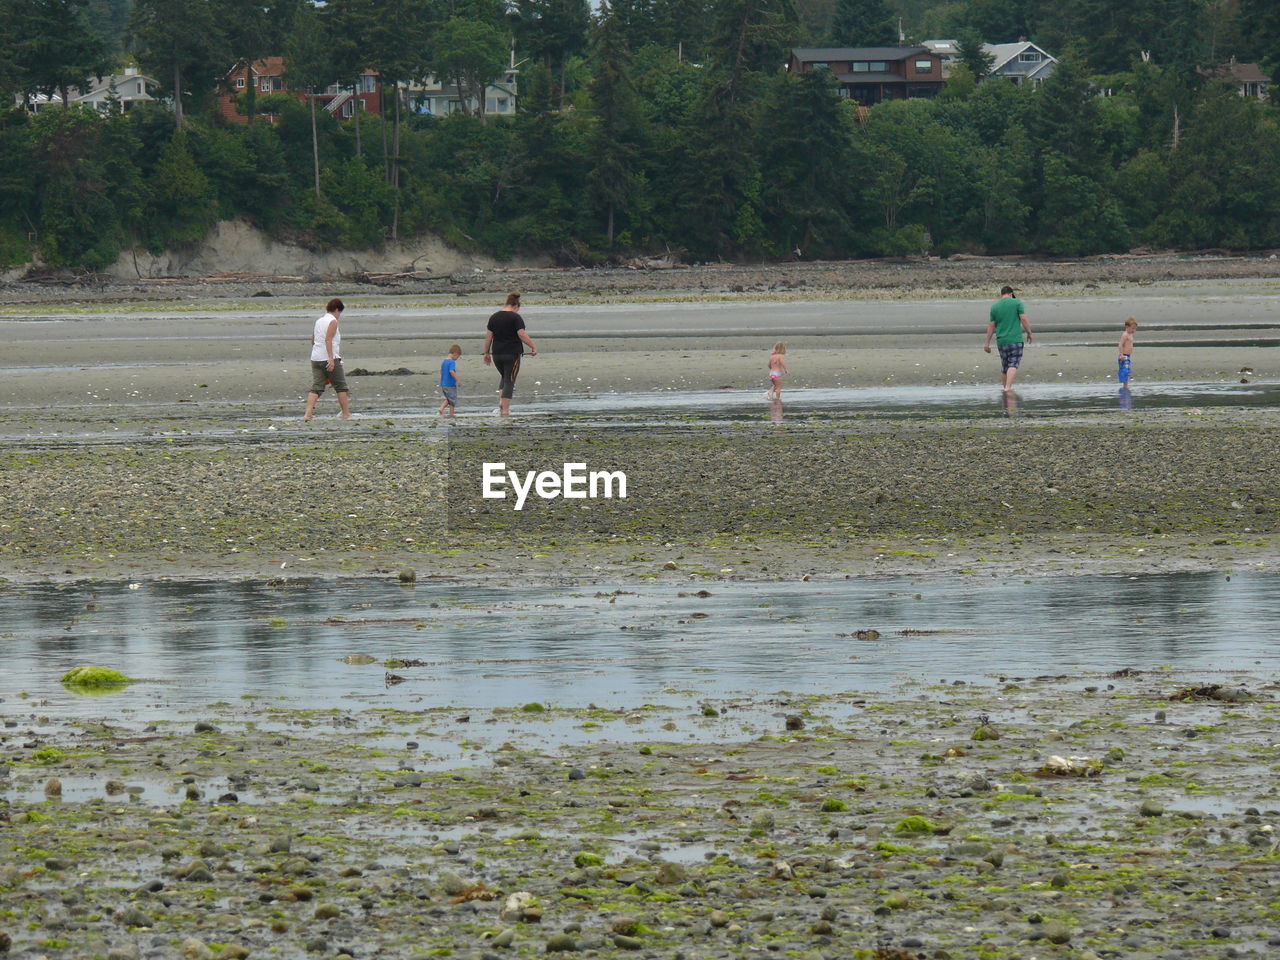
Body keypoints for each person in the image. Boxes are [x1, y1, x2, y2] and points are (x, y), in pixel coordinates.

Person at [483, 292, 538, 417]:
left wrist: (486, 353)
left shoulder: (494, 317)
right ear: (515, 306)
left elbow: (488, 338)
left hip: (497, 354)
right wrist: (533, 346)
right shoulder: (515, 317)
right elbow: (522, 334)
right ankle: (505, 409)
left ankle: (502, 403)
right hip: (512, 354)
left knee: (504, 376)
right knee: (510, 380)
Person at [303, 298, 351, 421]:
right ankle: (346, 413)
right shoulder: (333, 321)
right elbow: (328, 339)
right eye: (339, 312)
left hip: (316, 358)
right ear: (336, 310)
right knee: (341, 386)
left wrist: (318, 351)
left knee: (317, 387)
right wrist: (331, 359)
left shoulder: (319, 321)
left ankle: (308, 414)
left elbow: (313, 340)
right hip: (329, 358)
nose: (339, 315)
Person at [983, 285, 1032, 392]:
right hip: (1015, 339)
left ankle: (1005, 390)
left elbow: (991, 325)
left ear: (1002, 294)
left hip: (1001, 341)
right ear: (1011, 294)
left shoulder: (995, 307)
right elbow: (1023, 318)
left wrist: (987, 343)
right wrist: (1029, 332)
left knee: (1005, 366)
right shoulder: (1017, 302)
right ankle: (1008, 388)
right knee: (1013, 364)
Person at [438, 343, 462, 416]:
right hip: (450, 384)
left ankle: (442, 408)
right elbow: (451, 371)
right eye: (457, 357)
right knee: (452, 400)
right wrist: (458, 380)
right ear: (455, 354)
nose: (457, 358)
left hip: (443, 384)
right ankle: (451, 413)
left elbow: (441, 371)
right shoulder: (452, 362)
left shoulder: (444, 361)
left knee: (449, 399)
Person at [1117, 317, 1137, 386]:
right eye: (1132, 328)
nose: (1133, 330)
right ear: (1127, 327)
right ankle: (1125, 386)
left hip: (1128, 356)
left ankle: (1125, 386)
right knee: (1124, 371)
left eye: (1135, 328)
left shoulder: (1130, 334)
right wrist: (1121, 354)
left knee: (1127, 370)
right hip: (1124, 356)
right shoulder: (1125, 335)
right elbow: (1120, 345)